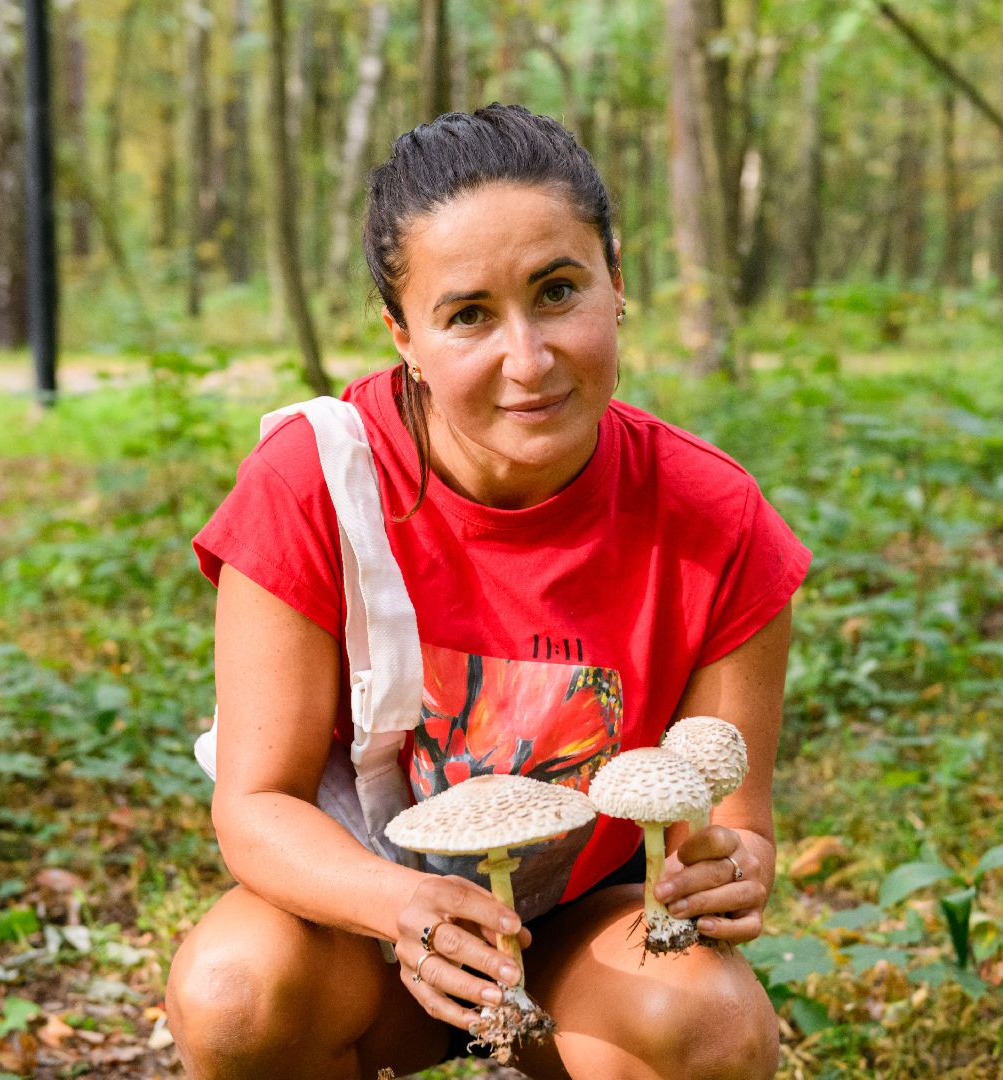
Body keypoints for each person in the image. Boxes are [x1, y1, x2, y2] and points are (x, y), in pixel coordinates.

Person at [167, 103, 811, 1080]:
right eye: (468, 315)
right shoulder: (314, 484)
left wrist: (731, 868)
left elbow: (725, 821)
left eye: (558, 291)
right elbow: (255, 804)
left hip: (579, 946)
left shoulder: (713, 519)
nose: (528, 359)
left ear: (617, 282)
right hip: (365, 934)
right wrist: (403, 907)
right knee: (235, 991)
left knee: (708, 1024)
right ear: (403, 335)